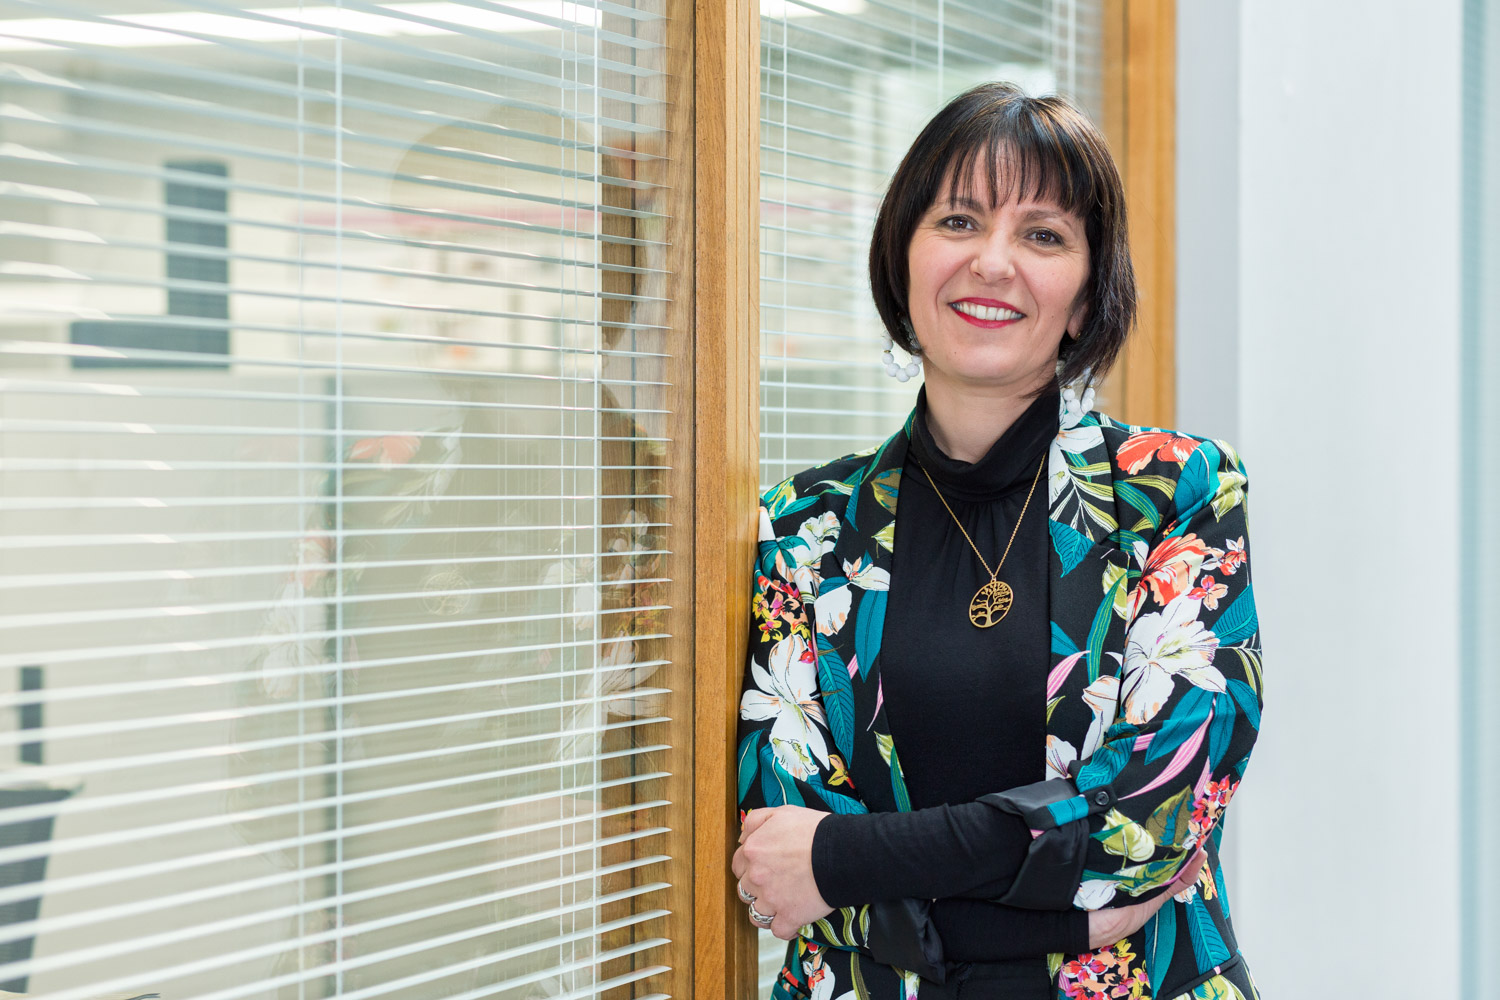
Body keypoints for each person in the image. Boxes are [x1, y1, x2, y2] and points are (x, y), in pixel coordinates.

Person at [731, 83, 1262, 1000]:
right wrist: (1070, 919)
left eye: (1043, 235)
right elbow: (782, 859)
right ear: (902, 257)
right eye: (959, 221)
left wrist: (852, 859)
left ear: (1087, 294)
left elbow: (1153, 820)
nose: (992, 261)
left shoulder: (1175, 495)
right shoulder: (805, 528)